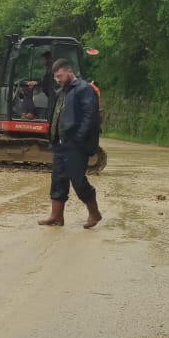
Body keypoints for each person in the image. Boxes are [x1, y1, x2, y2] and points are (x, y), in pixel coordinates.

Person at [37, 57, 104, 229]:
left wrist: (79, 138)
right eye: (55, 77)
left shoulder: (84, 89)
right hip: (60, 144)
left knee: (78, 180)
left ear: (69, 71)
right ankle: (57, 216)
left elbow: (91, 117)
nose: (58, 79)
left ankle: (94, 213)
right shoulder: (62, 91)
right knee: (58, 179)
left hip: (75, 144)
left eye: (60, 75)